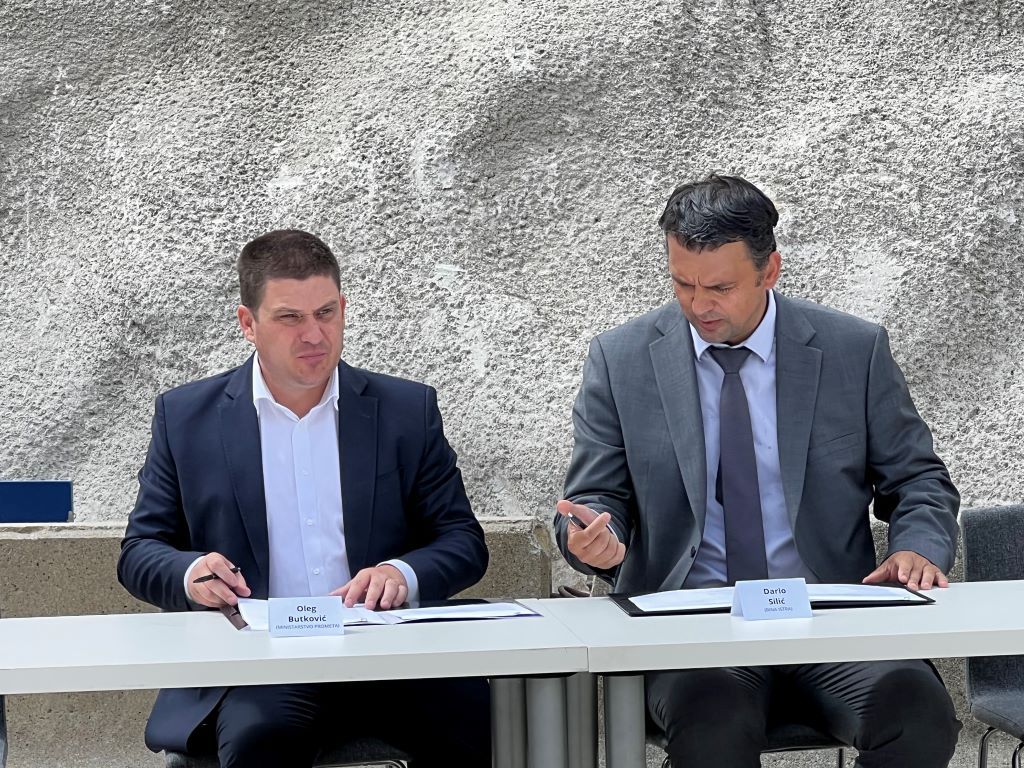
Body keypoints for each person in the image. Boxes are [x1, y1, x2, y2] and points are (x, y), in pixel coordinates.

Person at [554, 175, 961, 767]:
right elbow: (595, 496)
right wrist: (596, 538)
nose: (699, 305)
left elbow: (918, 479)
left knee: (918, 716)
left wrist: (918, 547)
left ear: (770, 270)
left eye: (720, 287)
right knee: (714, 726)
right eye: (682, 283)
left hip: (829, 620)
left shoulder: (854, 350)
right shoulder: (621, 360)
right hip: (690, 628)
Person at [118, 229, 490, 768]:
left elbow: (463, 542)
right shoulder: (186, 418)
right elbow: (140, 550)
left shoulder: (407, 410)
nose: (314, 334)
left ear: (343, 308)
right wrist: (191, 573)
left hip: (392, 653)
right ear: (248, 323)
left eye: (326, 313)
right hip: (262, 662)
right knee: (259, 738)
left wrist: (400, 574)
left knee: (490, 721)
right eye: (290, 318)